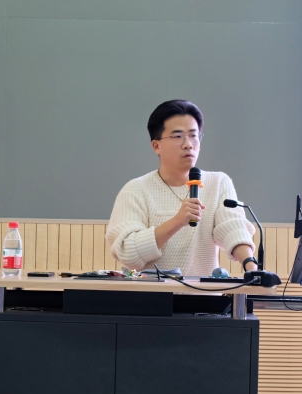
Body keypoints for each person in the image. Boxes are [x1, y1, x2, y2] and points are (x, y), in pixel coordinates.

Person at [105, 100, 258, 276]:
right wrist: (177, 221)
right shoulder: (135, 190)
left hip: (203, 292)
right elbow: (127, 253)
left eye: (193, 135)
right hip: (151, 292)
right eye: (178, 136)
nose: (188, 144)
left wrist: (251, 266)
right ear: (156, 146)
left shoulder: (219, 182)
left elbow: (233, 228)